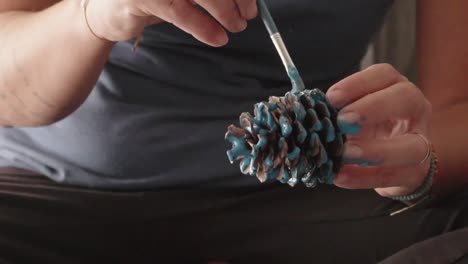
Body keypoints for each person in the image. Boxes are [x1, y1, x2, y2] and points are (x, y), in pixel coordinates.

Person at [0, 0, 467, 263]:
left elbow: (456, 108)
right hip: (53, 196)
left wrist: (414, 160)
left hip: (310, 197)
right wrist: (93, 14)